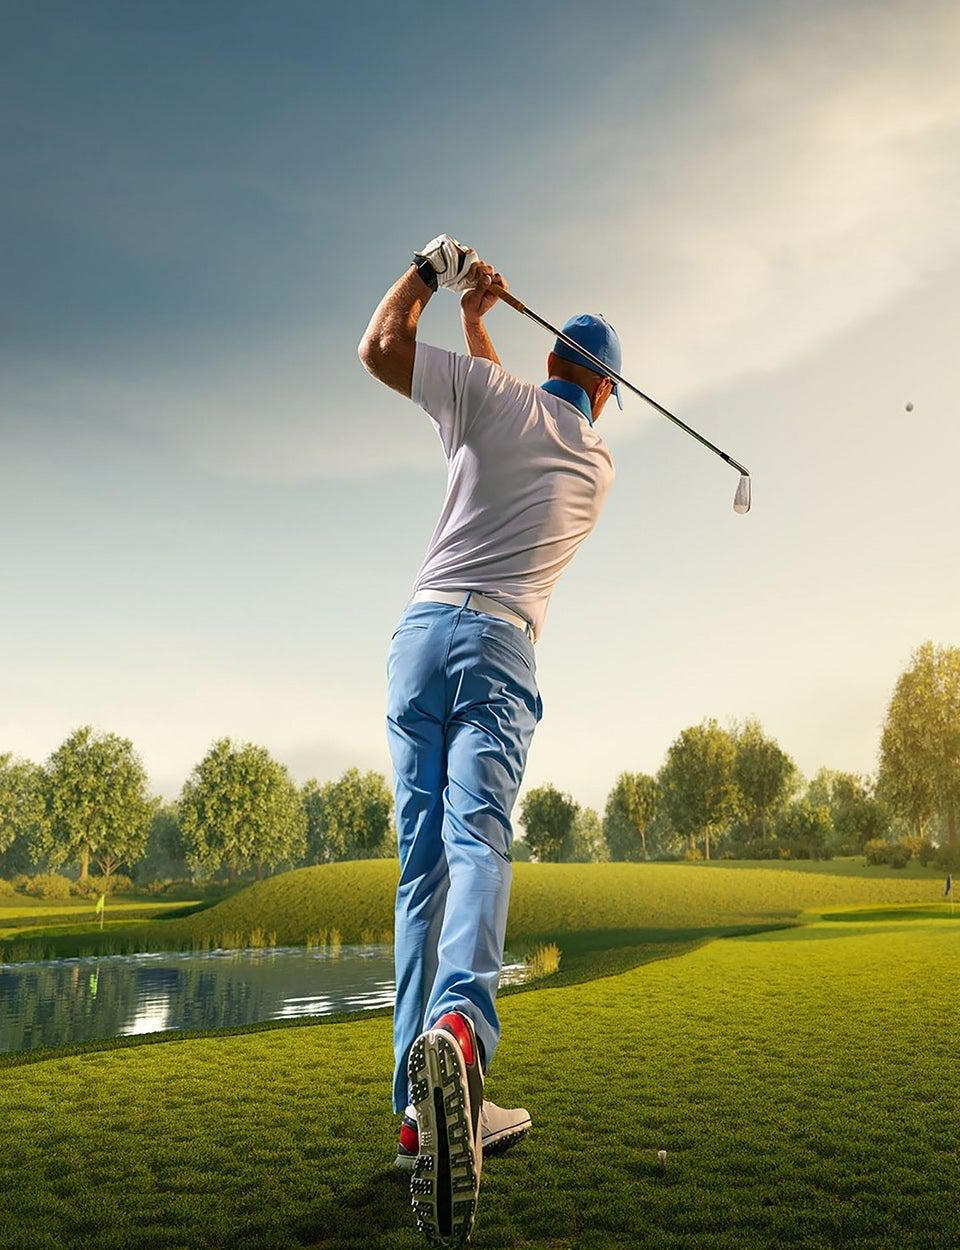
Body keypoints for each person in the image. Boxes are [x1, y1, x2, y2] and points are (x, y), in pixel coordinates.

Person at [357, 233, 620, 1245]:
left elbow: (381, 346)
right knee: (477, 845)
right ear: (601, 393)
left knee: (419, 870)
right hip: (498, 648)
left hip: (417, 638)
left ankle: (415, 1118)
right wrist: (481, 320)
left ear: (551, 362)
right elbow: (528, 412)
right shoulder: (595, 463)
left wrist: (441, 280)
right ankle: (459, 1040)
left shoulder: (488, 397)